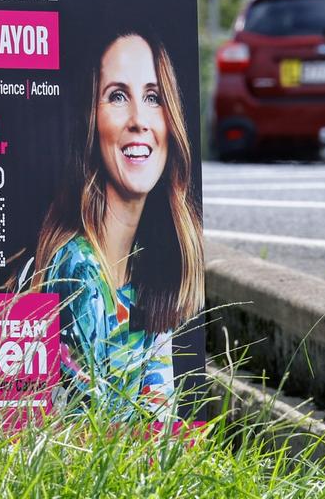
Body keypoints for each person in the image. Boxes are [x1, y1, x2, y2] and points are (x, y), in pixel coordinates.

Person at [23, 33, 202, 421]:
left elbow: (159, 421)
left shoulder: (151, 267)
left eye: (153, 97)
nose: (139, 120)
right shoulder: (76, 268)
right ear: (91, 120)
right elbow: (87, 449)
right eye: (118, 96)